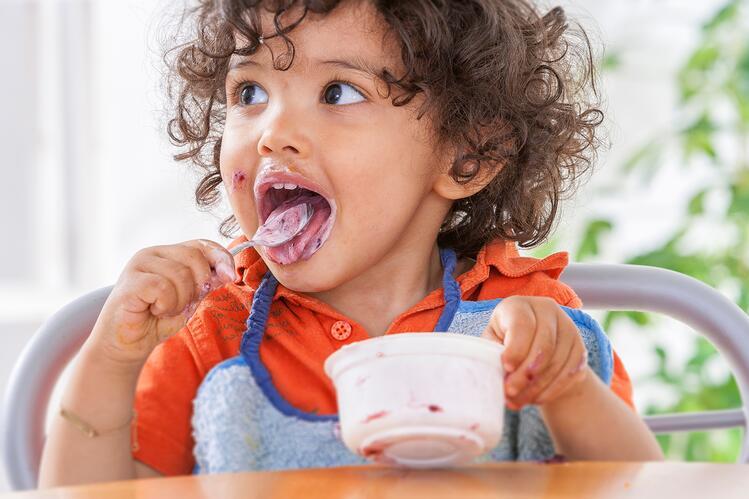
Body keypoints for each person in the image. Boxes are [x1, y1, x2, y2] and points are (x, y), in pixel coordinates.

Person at [39, 0, 663, 487]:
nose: (273, 133)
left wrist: (565, 387)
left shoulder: (524, 313)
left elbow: (641, 484)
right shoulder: (212, 334)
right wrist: (110, 365)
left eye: (338, 92)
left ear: (467, 154)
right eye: (249, 92)